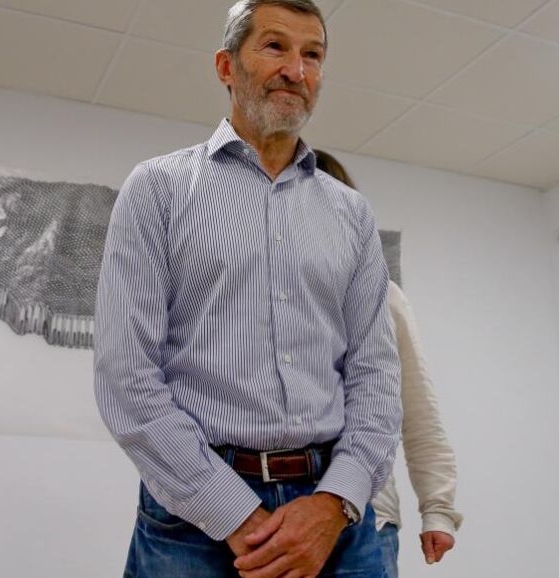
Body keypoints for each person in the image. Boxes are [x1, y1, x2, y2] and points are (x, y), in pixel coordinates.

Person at [94, 1, 403, 576]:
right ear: (226, 66)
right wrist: (235, 514)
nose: (296, 70)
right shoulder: (157, 189)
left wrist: (335, 503)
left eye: (313, 54)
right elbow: (126, 376)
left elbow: (376, 374)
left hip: (336, 517)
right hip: (194, 521)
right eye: (275, 46)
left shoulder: (352, 214)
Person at [314, 150, 464, 576]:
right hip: (273, 520)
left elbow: (416, 408)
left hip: (369, 519)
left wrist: (438, 508)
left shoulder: (385, 296)